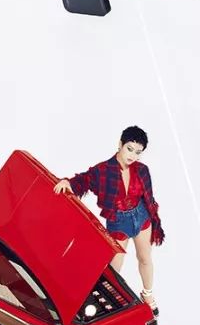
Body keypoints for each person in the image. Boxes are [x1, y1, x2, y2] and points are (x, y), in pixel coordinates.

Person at [54, 126, 164, 312]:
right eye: (130, 149)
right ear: (120, 144)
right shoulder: (103, 170)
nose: (132, 156)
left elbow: (149, 199)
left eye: (138, 152)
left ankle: (147, 294)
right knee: (113, 271)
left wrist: (152, 218)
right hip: (119, 221)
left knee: (145, 258)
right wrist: (68, 182)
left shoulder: (142, 170)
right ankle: (106, 301)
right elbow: (84, 180)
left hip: (141, 217)